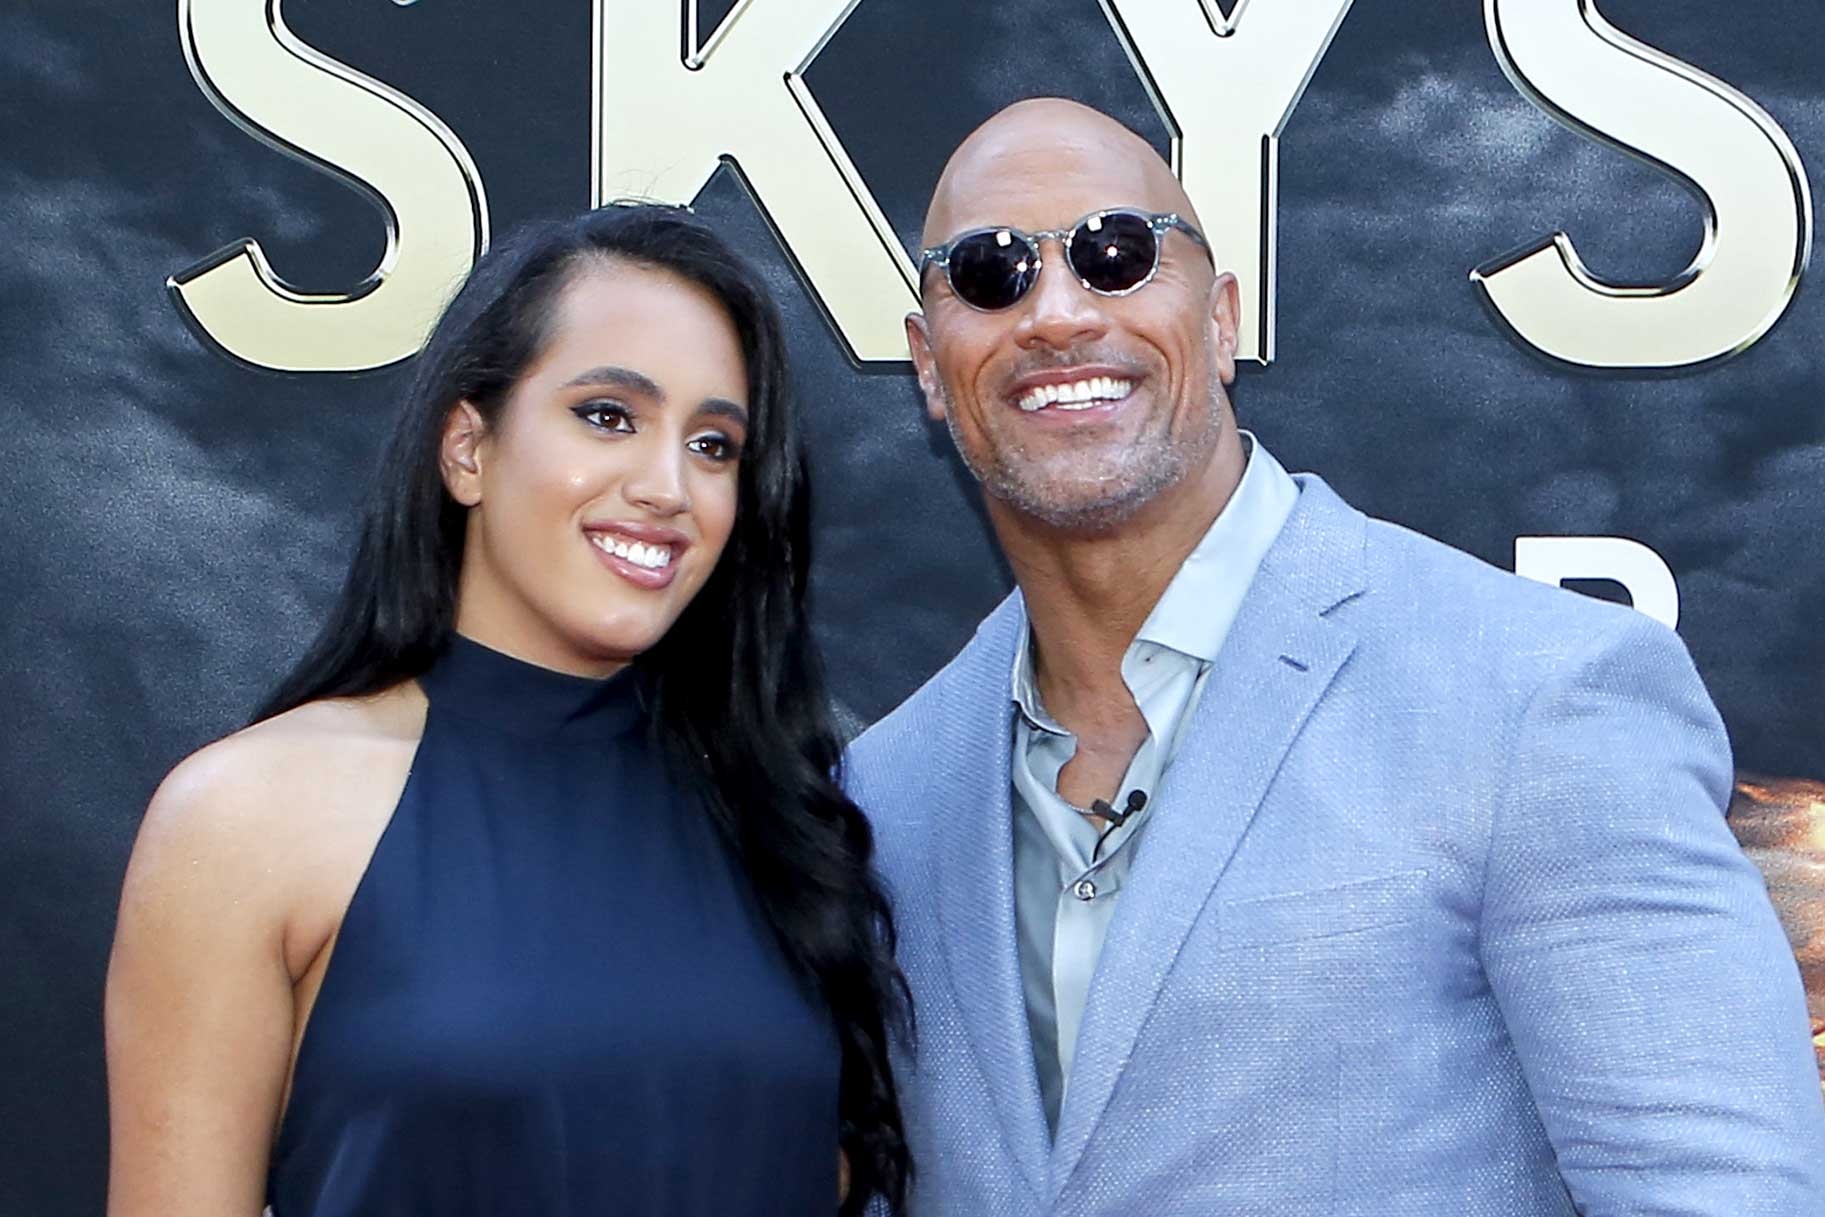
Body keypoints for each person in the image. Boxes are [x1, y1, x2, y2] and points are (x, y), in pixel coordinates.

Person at [845, 98, 1825, 1215]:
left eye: (1118, 255)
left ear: (1220, 319)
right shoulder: (888, 789)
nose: (1057, 312)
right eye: (988, 273)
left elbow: (1720, 1192)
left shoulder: (1540, 696)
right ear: (930, 364)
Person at [105, 204, 909, 1217]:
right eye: (609, 414)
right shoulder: (248, 815)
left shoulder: (780, 820)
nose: (668, 486)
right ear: (467, 448)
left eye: (713, 444)